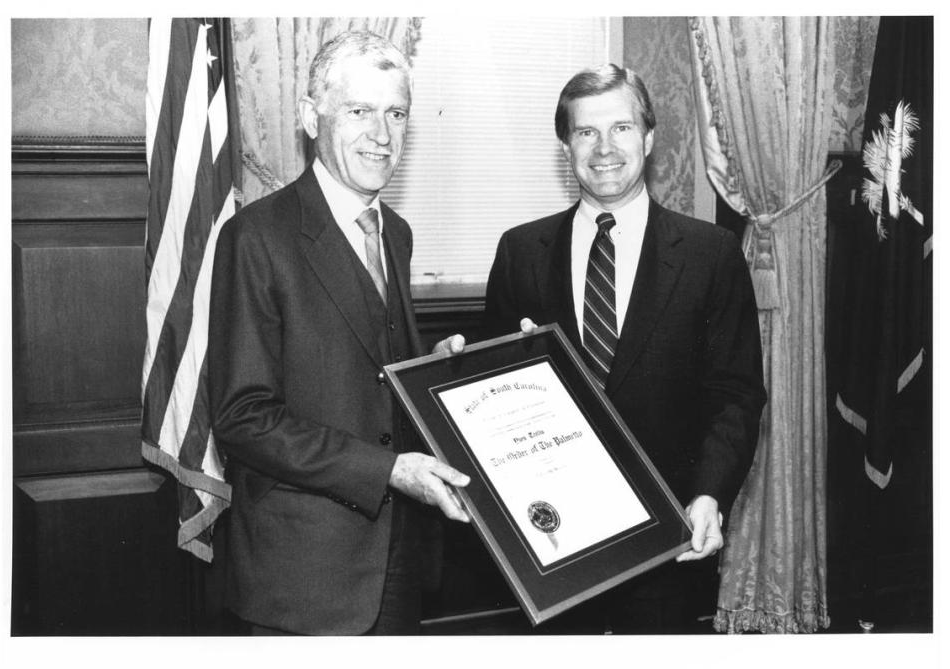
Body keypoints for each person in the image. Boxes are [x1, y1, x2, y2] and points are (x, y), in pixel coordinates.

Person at [482, 64, 766, 633]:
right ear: (566, 144)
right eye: (586, 132)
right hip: (549, 542)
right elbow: (493, 392)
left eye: (622, 128)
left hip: (668, 534)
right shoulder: (520, 251)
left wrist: (710, 496)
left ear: (650, 137)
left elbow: (735, 395)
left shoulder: (711, 255)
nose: (605, 148)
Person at [208, 30, 469, 636]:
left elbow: (372, 371)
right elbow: (244, 417)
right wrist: (387, 472)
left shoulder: (394, 233)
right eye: (359, 112)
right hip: (304, 578)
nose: (382, 136)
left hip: (398, 560)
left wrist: (433, 370)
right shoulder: (257, 238)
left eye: (396, 113)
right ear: (310, 117)